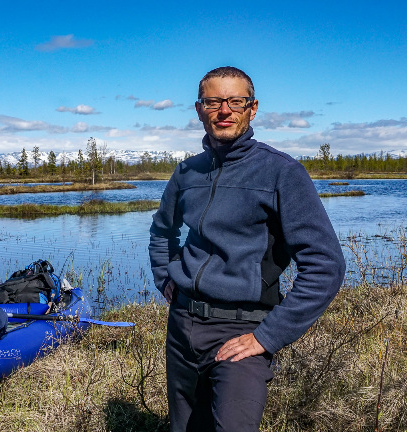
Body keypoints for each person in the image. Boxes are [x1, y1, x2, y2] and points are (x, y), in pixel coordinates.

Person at [148, 66, 346, 431]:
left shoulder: (281, 173)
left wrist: (266, 337)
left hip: (241, 330)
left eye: (235, 101)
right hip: (182, 326)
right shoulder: (187, 173)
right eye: (213, 102)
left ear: (252, 108)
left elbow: (326, 266)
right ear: (199, 109)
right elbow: (163, 232)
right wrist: (166, 277)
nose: (224, 110)